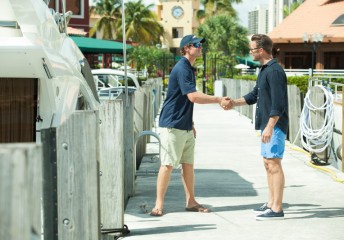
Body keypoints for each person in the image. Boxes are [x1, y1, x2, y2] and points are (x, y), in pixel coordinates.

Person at [150, 34, 230, 216]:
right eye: (196, 45)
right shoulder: (182, 68)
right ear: (186, 48)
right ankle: (158, 205)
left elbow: (184, 99)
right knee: (168, 164)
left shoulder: (189, 68)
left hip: (184, 124)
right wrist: (218, 99)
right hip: (172, 124)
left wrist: (190, 122)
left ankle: (191, 202)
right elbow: (193, 96)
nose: (200, 47)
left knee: (188, 165)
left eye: (201, 44)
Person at [224, 34, 288, 220]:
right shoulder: (264, 70)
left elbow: (278, 103)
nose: (250, 52)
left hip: (274, 125)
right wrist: (233, 102)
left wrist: (269, 127)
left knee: (274, 164)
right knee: (267, 163)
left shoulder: (274, 71)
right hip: (267, 125)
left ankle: (277, 208)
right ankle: (270, 203)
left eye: (251, 49)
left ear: (260, 50)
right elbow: (254, 95)